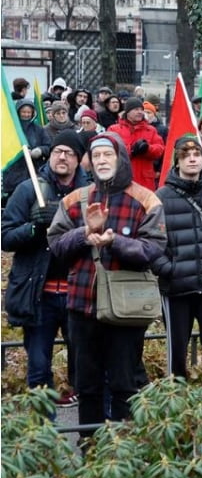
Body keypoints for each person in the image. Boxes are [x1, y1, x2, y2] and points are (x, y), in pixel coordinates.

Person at [47, 133, 167, 437]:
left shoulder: (146, 199)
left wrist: (116, 241)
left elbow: (153, 250)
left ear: (120, 158)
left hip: (125, 309)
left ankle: (121, 454)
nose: (101, 161)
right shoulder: (74, 199)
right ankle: (90, 452)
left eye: (107, 155)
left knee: (124, 384)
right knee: (86, 385)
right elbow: (56, 245)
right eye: (96, 156)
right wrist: (83, 234)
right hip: (81, 307)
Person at [2, 131, 90, 408]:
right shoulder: (29, 190)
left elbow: (99, 235)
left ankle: (90, 436)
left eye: (69, 153)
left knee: (86, 368)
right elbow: (5, 237)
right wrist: (33, 228)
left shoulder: (89, 193)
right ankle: (45, 437)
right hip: (39, 295)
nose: (62, 157)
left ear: (79, 160)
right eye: (57, 151)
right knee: (39, 368)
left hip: (80, 293)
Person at [153, 136, 202, 391]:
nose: (192, 159)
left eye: (196, 154)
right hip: (176, 288)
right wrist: (168, 269)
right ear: (177, 160)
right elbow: (152, 241)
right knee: (177, 351)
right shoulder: (161, 197)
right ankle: (178, 400)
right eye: (186, 154)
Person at [107, 97, 165, 191]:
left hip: (145, 182)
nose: (140, 112)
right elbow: (110, 150)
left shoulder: (151, 130)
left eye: (141, 110)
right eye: (136, 109)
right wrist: (132, 150)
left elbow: (160, 149)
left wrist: (147, 149)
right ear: (127, 112)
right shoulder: (114, 130)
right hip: (122, 180)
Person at [2, 99, 51, 205]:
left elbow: (49, 146)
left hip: (33, 172)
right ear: (18, 112)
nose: (26, 115)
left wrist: (39, 151)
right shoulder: (11, 130)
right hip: (13, 175)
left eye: (29, 112)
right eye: (23, 112)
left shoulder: (39, 130)